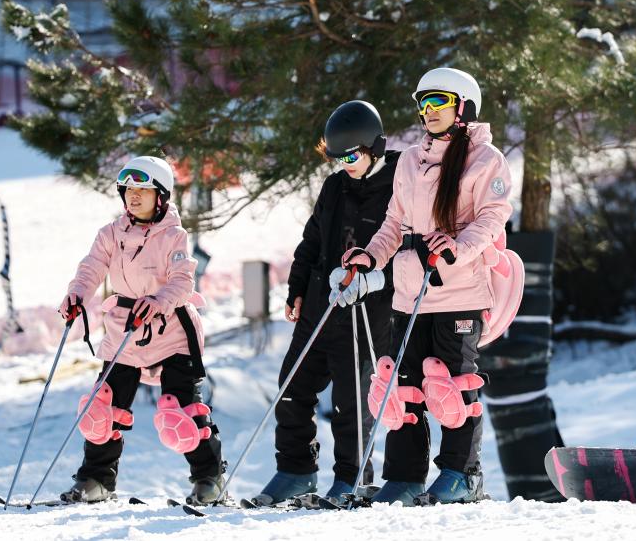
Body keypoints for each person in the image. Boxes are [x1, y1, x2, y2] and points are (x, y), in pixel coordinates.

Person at [340, 67, 512, 505]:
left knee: (452, 385)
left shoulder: (485, 158)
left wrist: (458, 246)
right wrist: (370, 256)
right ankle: (404, 477)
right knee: (405, 386)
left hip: (460, 290)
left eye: (439, 101)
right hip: (409, 290)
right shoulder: (411, 160)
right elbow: (394, 224)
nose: (428, 111)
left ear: (463, 107)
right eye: (423, 103)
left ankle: (461, 473)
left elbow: (493, 217)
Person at [57, 156, 225, 505]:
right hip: (125, 331)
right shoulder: (112, 233)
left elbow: (182, 280)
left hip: (172, 332)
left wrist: (159, 299)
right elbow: (91, 267)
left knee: (179, 411)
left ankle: (210, 479)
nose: (133, 197)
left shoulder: (173, 235)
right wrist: (76, 294)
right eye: (128, 190)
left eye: (142, 191)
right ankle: (96, 480)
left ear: (160, 196)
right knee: (103, 408)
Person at [253, 100, 398, 506]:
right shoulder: (334, 187)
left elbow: (404, 250)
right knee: (292, 388)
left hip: (365, 314)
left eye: (353, 155)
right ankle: (295, 471)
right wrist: (297, 287)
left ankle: (351, 478)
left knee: (351, 403)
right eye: (339, 158)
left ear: (375, 147)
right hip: (321, 307)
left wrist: (373, 281)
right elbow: (312, 240)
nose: (346, 164)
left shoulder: (398, 187)